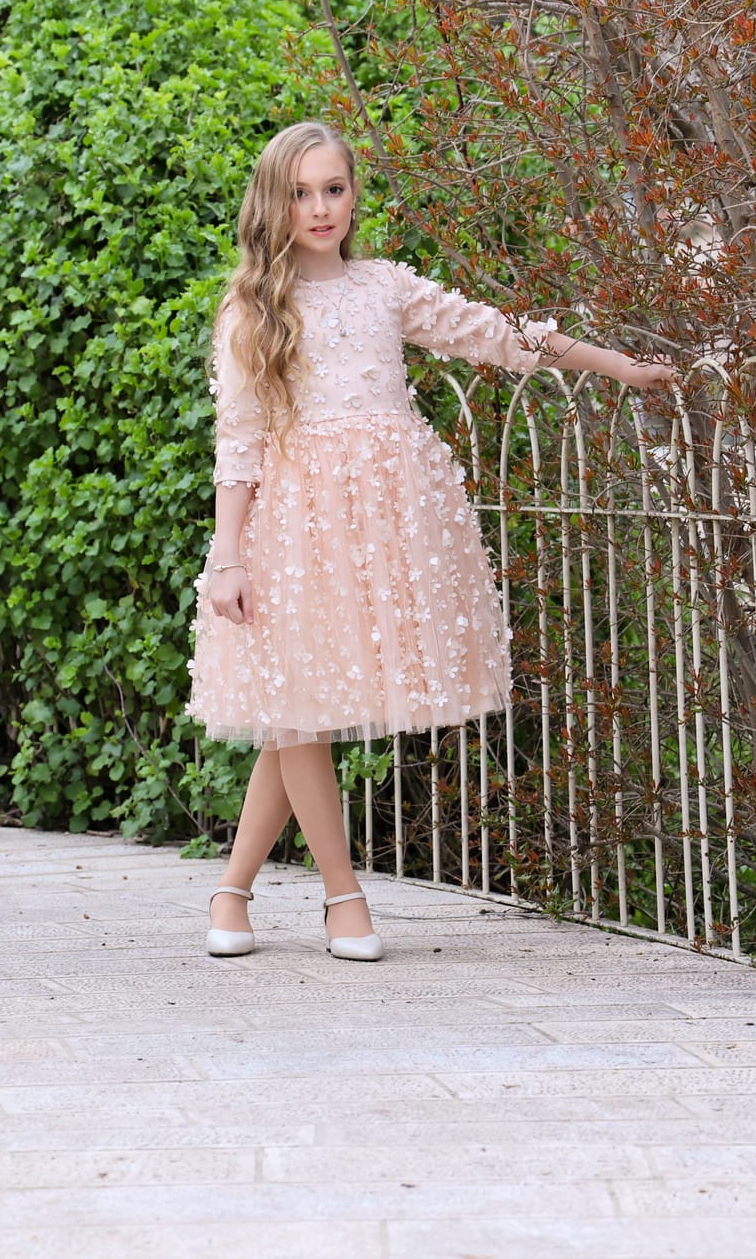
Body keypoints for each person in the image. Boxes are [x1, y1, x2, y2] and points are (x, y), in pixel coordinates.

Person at [185, 122, 677, 961]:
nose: (320, 208)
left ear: (353, 194)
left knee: (296, 713)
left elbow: (495, 333)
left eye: (334, 188)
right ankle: (343, 898)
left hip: (384, 528)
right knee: (298, 714)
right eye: (300, 193)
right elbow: (240, 441)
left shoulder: (384, 286)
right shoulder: (255, 308)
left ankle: (232, 892)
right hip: (296, 529)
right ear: (273, 203)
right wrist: (228, 557)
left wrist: (612, 364)